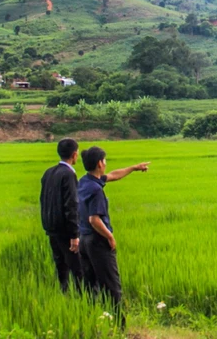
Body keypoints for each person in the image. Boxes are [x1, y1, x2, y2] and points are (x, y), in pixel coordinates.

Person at [78, 146, 150, 327]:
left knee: (90, 284)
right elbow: (94, 219)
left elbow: (114, 175)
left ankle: (91, 321)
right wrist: (109, 237)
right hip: (97, 241)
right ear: (100, 163)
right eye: (105, 160)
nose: (106, 164)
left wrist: (134, 168)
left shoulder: (84, 182)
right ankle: (120, 326)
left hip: (83, 240)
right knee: (111, 285)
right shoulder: (96, 190)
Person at [39, 138, 83, 293]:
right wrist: (74, 234)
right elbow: (71, 205)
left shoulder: (49, 173)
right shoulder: (69, 174)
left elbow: (43, 200)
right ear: (74, 154)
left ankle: (64, 295)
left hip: (52, 228)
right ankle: (81, 299)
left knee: (61, 268)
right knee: (78, 269)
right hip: (65, 230)